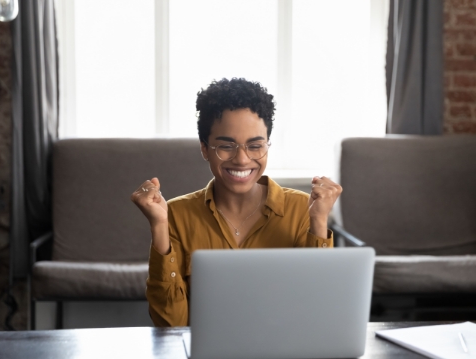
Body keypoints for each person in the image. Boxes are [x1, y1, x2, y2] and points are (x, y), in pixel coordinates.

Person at [130, 78, 343, 327]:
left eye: (255, 146)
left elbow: (318, 315)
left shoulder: (303, 209)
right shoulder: (175, 214)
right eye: (226, 146)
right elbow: (171, 325)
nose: (242, 160)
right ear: (204, 149)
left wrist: (318, 222)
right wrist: (158, 226)